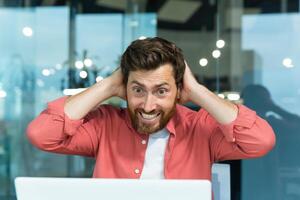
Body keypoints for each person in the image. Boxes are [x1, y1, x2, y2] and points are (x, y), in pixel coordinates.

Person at [27, 37, 275, 180]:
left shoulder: (201, 129)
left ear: (178, 90)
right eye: (138, 90)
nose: (147, 105)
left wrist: (197, 91)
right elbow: (42, 134)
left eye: (161, 91)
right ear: (124, 88)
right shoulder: (105, 126)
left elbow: (260, 141)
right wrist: (107, 86)